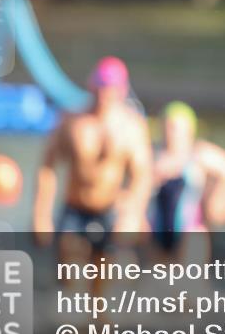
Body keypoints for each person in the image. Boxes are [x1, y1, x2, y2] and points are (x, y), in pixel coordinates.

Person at [33, 56, 153, 263]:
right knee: (70, 275)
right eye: (101, 86)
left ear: (122, 90)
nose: (104, 93)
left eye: (110, 88)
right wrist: (41, 214)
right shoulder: (72, 121)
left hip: (111, 211)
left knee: (105, 280)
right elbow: (47, 167)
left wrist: (133, 213)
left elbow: (142, 176)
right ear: (91, 84)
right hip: (75, 209)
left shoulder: (132, 128)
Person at [150, 101, 225, 257]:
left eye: (175, 128)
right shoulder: (153, 154)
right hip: (156, 231)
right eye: (166, 126)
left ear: (190, 129)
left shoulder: (199, 153)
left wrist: (219, 201)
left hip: (192, 231)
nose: (170, 133)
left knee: (192, 277)